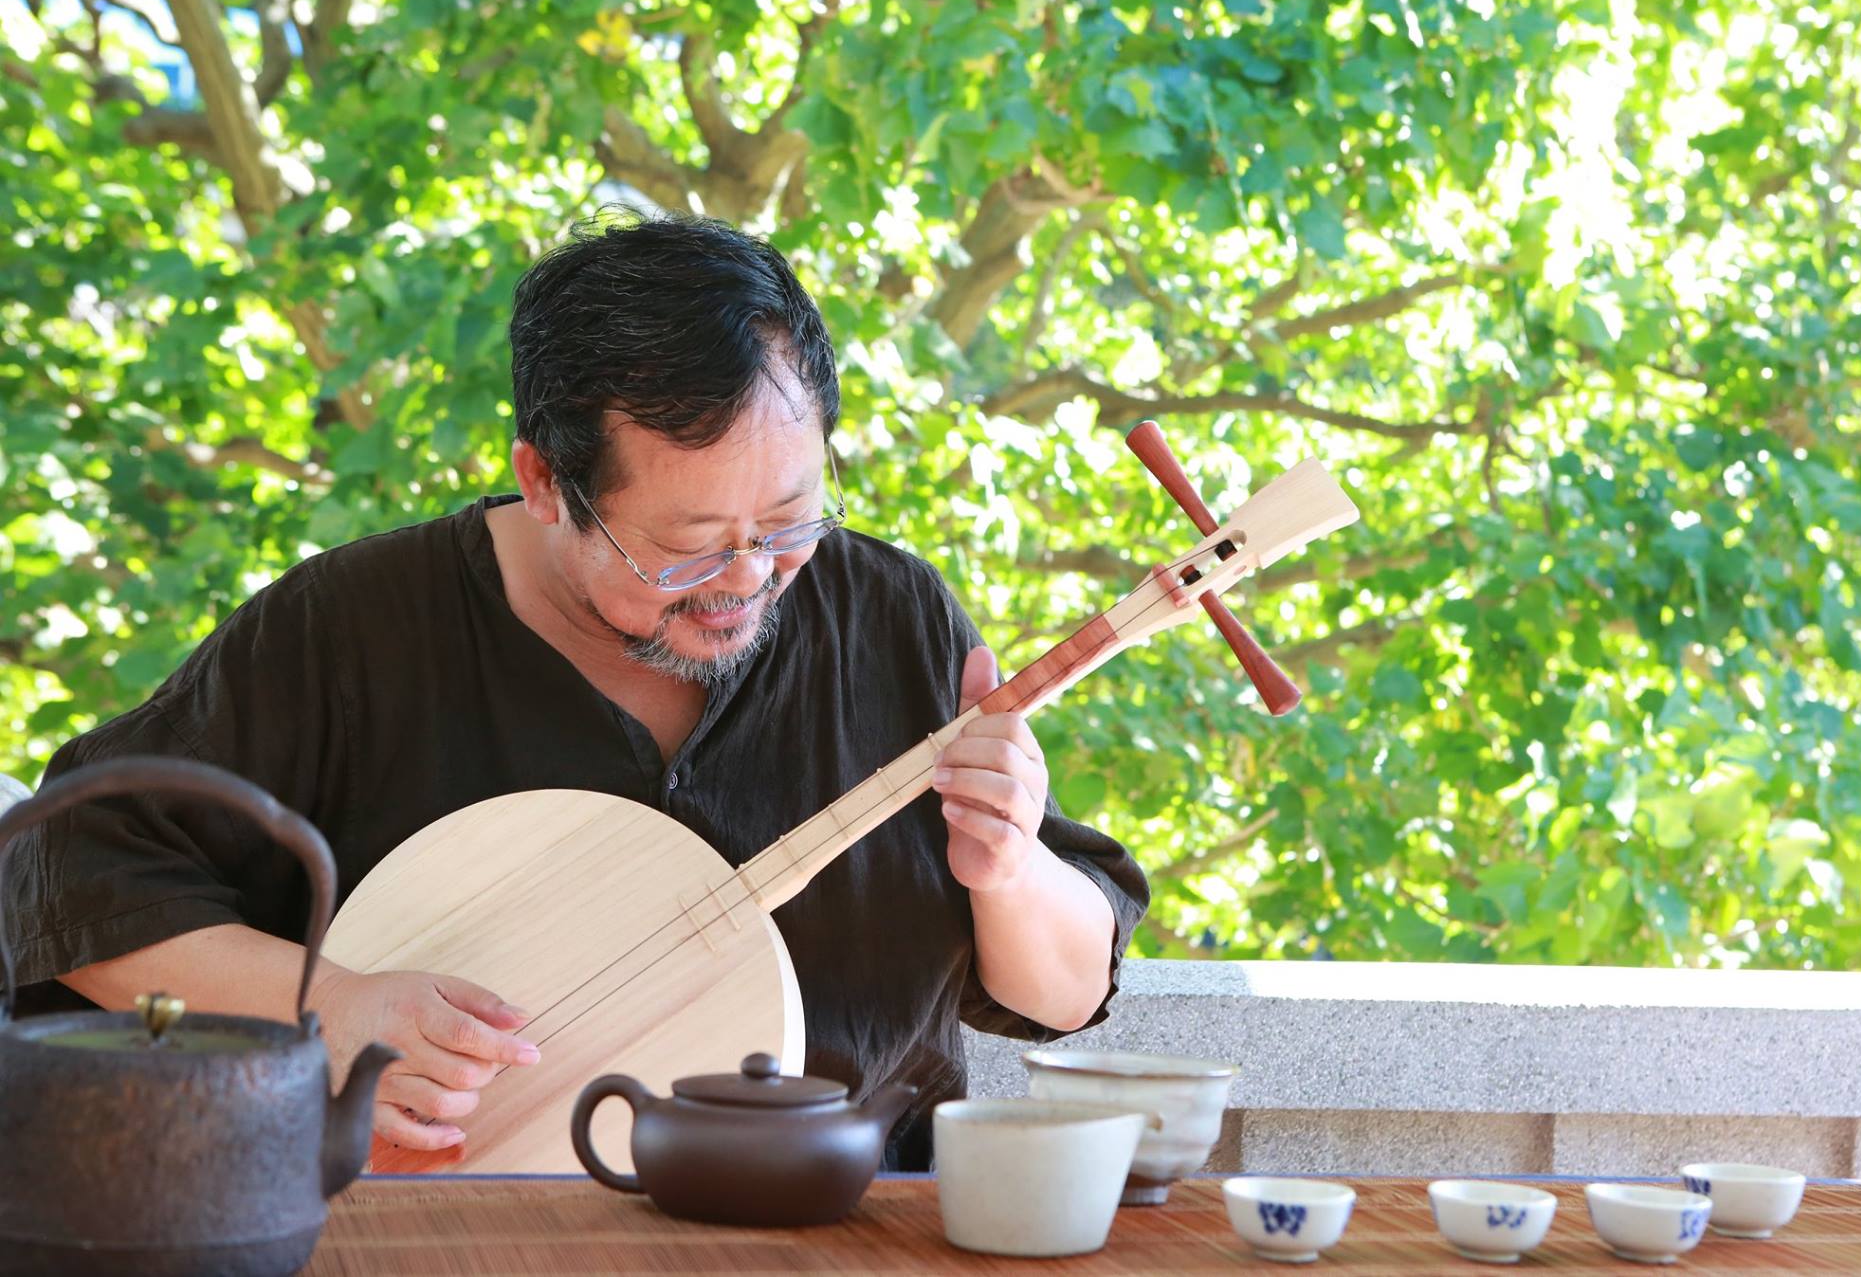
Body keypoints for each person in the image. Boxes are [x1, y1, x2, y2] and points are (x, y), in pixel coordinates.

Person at [1, 215, 1149, 1170]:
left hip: (846, 1235)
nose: (746, 580)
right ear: (545, 482)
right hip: (455, 1242)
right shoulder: (351, 629)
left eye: (788, 522)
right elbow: (58, 870)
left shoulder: (891, 615)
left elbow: (1060, 994)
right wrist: (329, 1006)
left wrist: (1008, 869)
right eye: (686, 547)